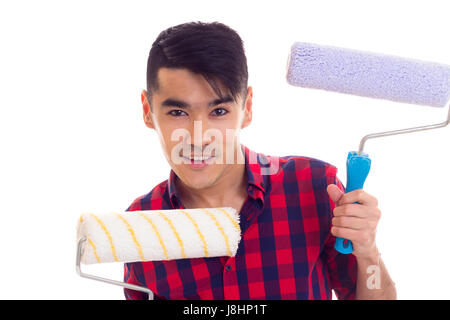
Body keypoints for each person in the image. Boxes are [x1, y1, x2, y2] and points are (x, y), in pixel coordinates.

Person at [123, 21, 396, 300]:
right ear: (147, 111)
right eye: (178, 112)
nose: (198, 137)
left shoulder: (314, 187)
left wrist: (368, 252)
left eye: (218, 111)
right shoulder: (140, 225)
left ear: (247, 107)